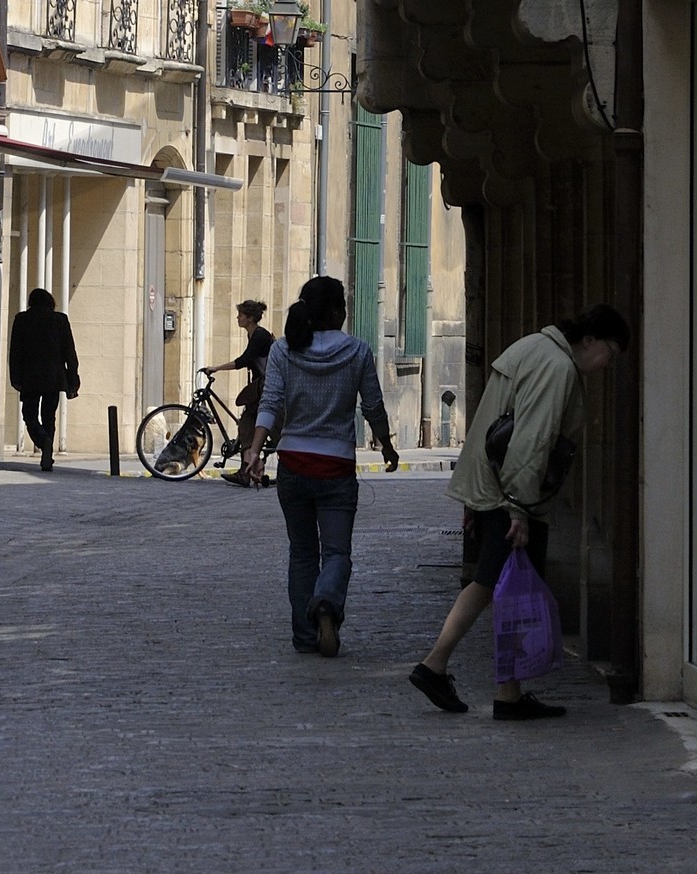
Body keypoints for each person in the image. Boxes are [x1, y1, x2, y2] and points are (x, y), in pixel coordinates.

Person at [409, 303, 630, 721]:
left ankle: (504, 691)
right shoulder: (558, 368)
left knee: (500, 587)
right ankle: (436, 665)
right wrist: (518, 510)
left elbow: (490, 427)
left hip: (493, 487)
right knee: (496, 586)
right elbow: (532, 442)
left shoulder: (533, 347)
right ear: (590, 340)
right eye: (609, 353)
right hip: (511, 494)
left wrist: (478, 499)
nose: (607, 365)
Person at [246, 275, 398, 655]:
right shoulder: (358, 351)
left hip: (293, 465)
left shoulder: (284, 350)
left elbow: (271, 402)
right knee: (336, 553)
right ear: (334, 312)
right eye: (343, 307)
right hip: (336, 467)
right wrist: (387, 445)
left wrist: (254, 450)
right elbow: (373, 406)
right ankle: (327, 600)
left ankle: (304, 635)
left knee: (301, 554)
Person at [7, 287, 79, 471]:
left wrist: (15, 377)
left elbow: (15, 352)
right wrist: (73, 380)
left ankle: (43, 441)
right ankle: (48, 451)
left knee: (29, 415)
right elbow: (69, 352)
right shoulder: (60, 320)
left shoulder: (22, 319)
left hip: (29, 377)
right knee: (49, 416)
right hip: (54, 377)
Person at [210, 297, 273, 484]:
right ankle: (246, 470)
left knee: (250, 424)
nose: (237, 318)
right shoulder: (254, 334)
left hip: (267, 388)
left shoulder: (260, 336)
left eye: (241, 315)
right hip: (261, 387)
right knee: (247, 424)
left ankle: (248, 469)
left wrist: (217, 368)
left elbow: (244, 360)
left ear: (250, 318)